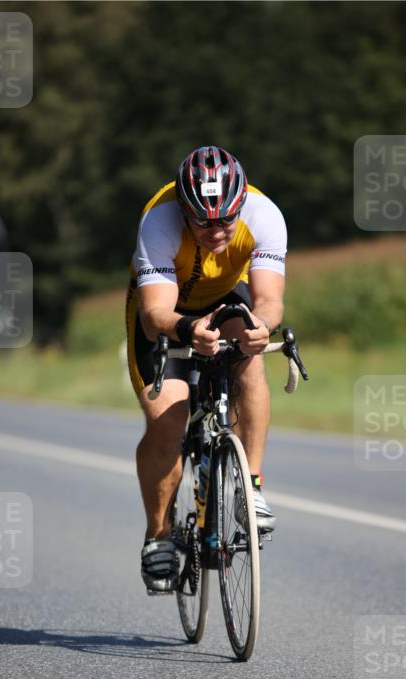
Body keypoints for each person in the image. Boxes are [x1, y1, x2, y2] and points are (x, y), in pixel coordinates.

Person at [125, 145, 287, 593]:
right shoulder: (159, 221)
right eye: (203, 221)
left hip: (223, 298)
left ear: (239, 206)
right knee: (169, 419)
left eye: (225, 221)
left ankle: (250, 487)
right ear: (183, 210)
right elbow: (154, 313)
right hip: (168, 312)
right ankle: (157, 535)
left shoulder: (263, 214)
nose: (216, 231)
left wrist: (261, 327)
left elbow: (269, 300)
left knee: (249, 354)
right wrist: (187, 327)